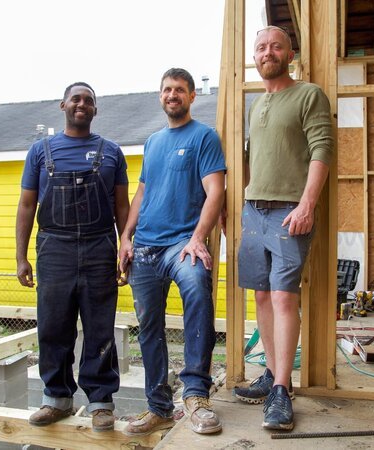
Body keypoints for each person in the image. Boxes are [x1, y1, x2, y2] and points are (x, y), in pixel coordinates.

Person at [232, 26, 333, 431]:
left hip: (290, 212)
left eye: (275, 46)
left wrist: (308, 203)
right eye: (260, 47)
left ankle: (281, 390)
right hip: (253, 212)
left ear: (290, 54)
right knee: (260, 297)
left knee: (283, 298)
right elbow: (249, 160)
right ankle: (272, 375)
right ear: (254, 57)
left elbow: (322, 148)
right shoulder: (256, 105)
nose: (267, 52)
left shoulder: (308, 94)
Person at [16, 82, 130, 432]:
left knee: (99, 327)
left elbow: (122, 207)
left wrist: (125, 248)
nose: (82, 104)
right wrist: (20, 257)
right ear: (63, 105)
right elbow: (26, 205)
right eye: (76, 99)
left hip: (99, 247)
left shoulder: (111, 152)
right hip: (54, 248)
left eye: (89, 101)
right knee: (53, 325)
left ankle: (100, 402)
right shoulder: (40, 151)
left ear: (95, 110)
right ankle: (57, 399)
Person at [119, 68, 226, 436]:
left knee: (197, 288)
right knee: (149, 324)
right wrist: (126, 236)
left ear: (192, 96)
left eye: (179, 89)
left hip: (182, 244)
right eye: (166, 89)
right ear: (160, 95)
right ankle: (159, 407)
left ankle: (196, 394)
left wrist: (198, 237)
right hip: (145, 247)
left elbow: (216, 192)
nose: (172, 95)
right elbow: (142, 193)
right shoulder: (153, 142)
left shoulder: (204, 137)